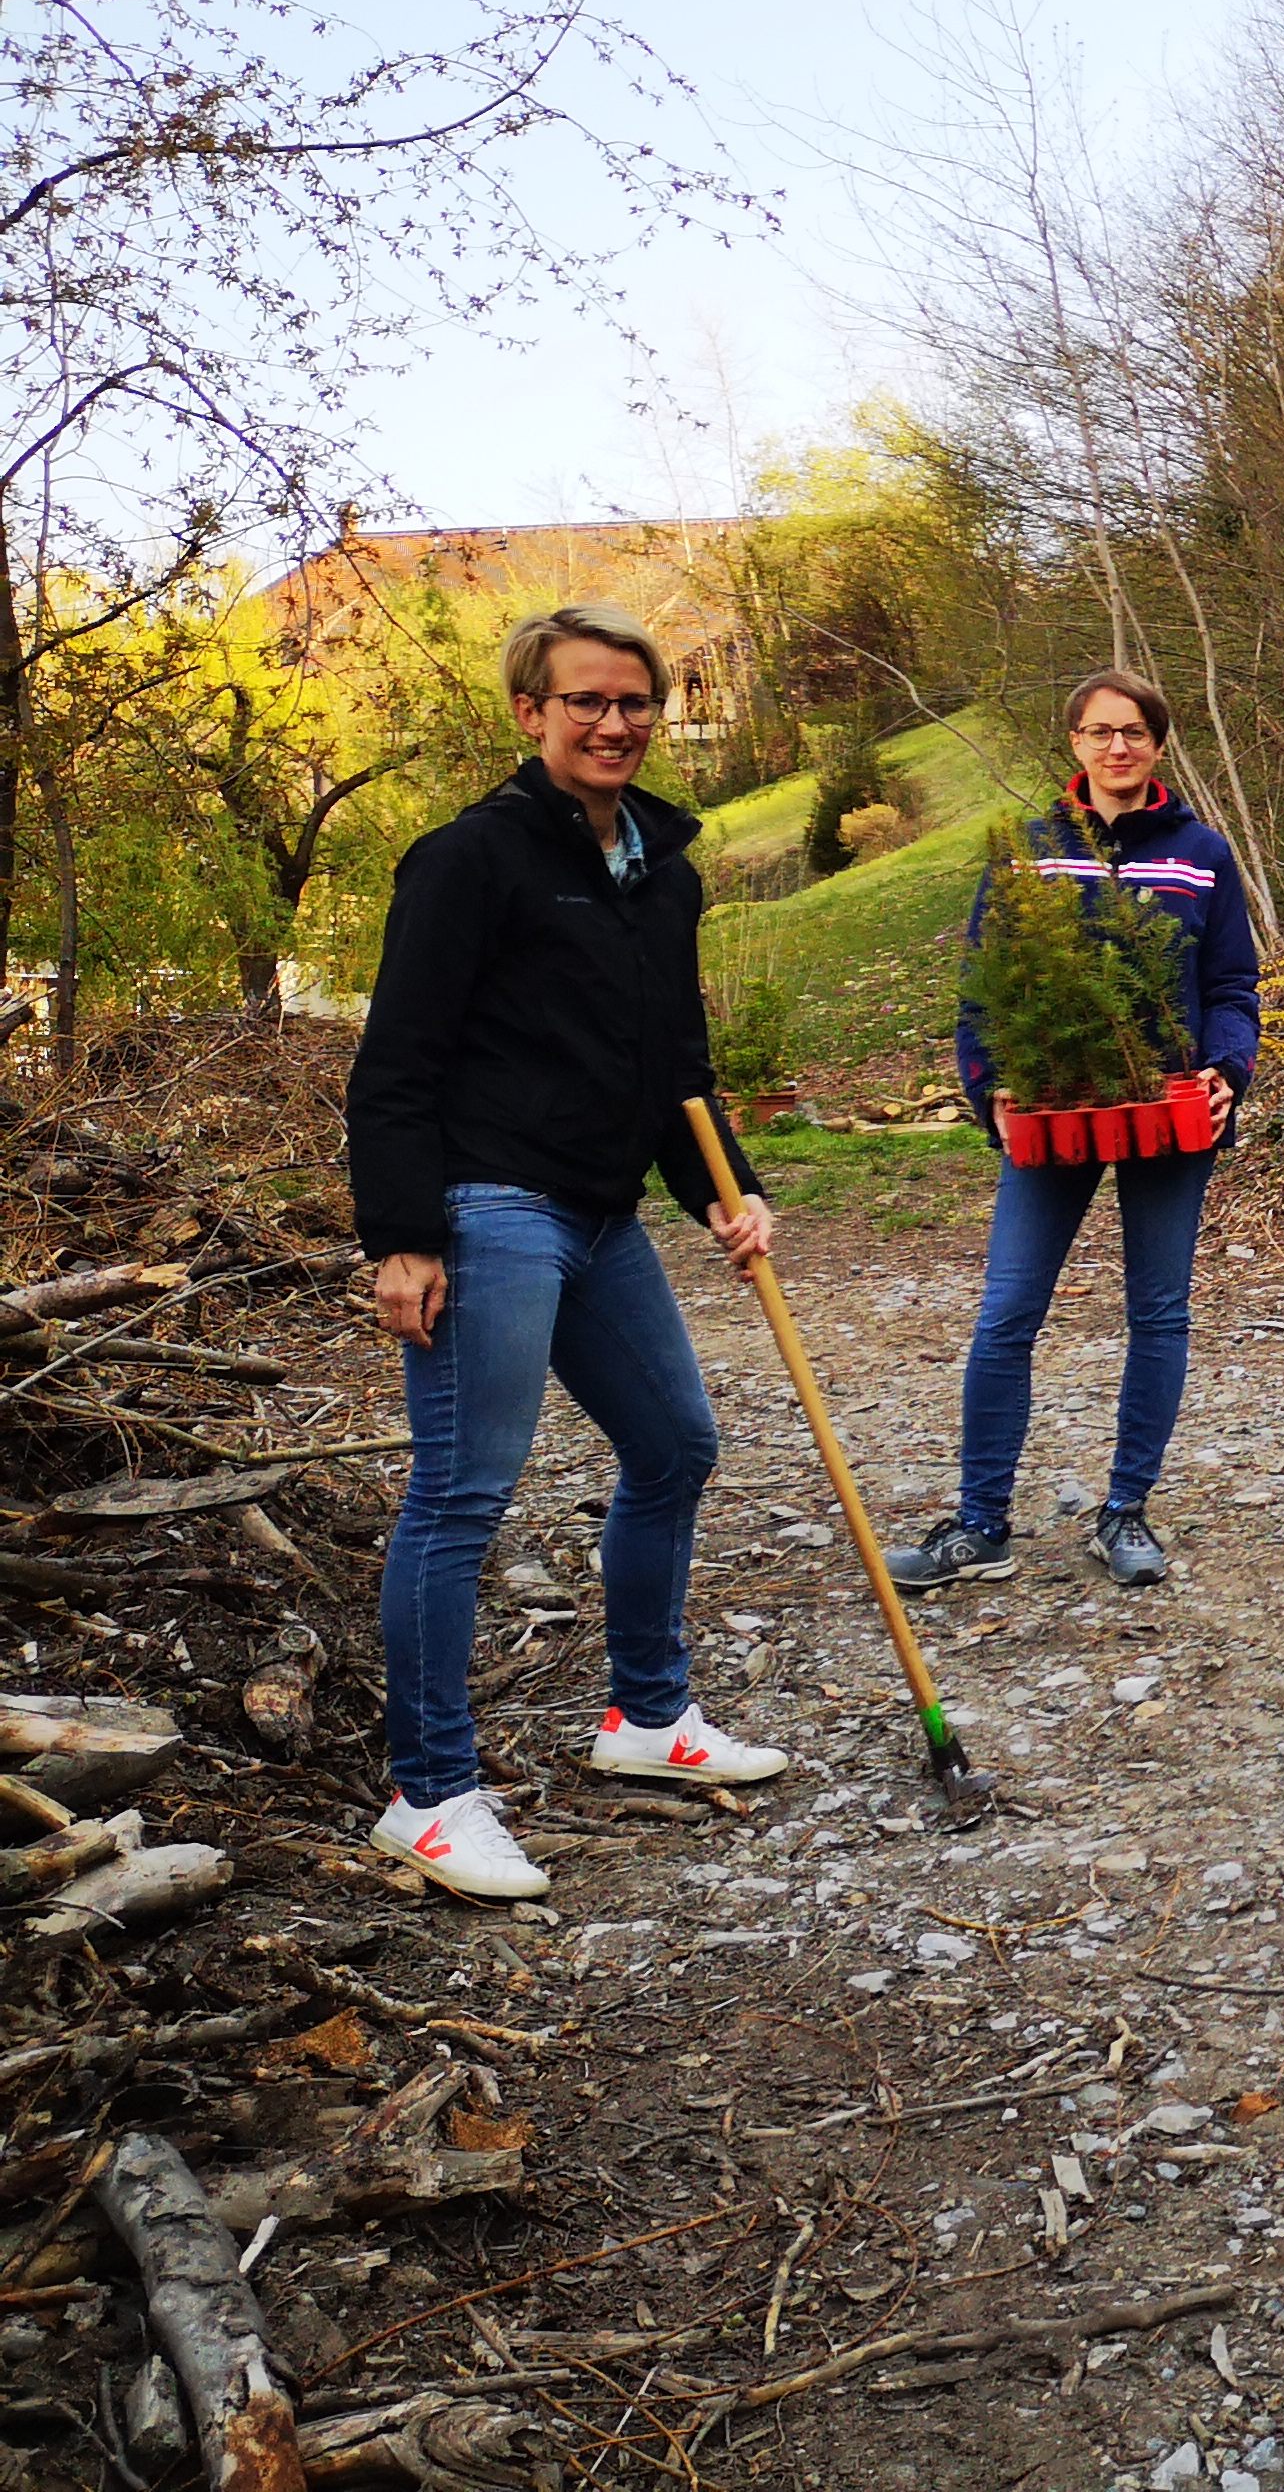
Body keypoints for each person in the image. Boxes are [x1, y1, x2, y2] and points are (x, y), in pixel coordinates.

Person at [346, 606, 789, 1904]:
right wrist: (405, 1238)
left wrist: (726, 1192)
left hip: (602, 1218)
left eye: (635, 702)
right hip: (490, 1211)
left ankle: (644, 1720)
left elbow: (677, 1070)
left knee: (674, 1446)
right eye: (587, 701)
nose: (615, 723)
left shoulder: (663, 865)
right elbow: (397, 1066)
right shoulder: (468, 861)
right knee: (462, 1495)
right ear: (529, 713)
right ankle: (427, 1799)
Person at [891, 669, 1259, 1595]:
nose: (1117, 748)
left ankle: (1125, 1511)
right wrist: (991, 1090)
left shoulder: (1202, 853)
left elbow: (1232, 988)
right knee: (1007, 1314)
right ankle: (980, 1525)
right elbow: (986, 989)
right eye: (1099, 733)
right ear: (1075, 744)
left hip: (1168, 1111)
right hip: (1054, 1110)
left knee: (1159, 1314)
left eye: (1133, 732)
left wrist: (1226, 1072)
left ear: (1159, 744)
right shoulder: (1027, 848)